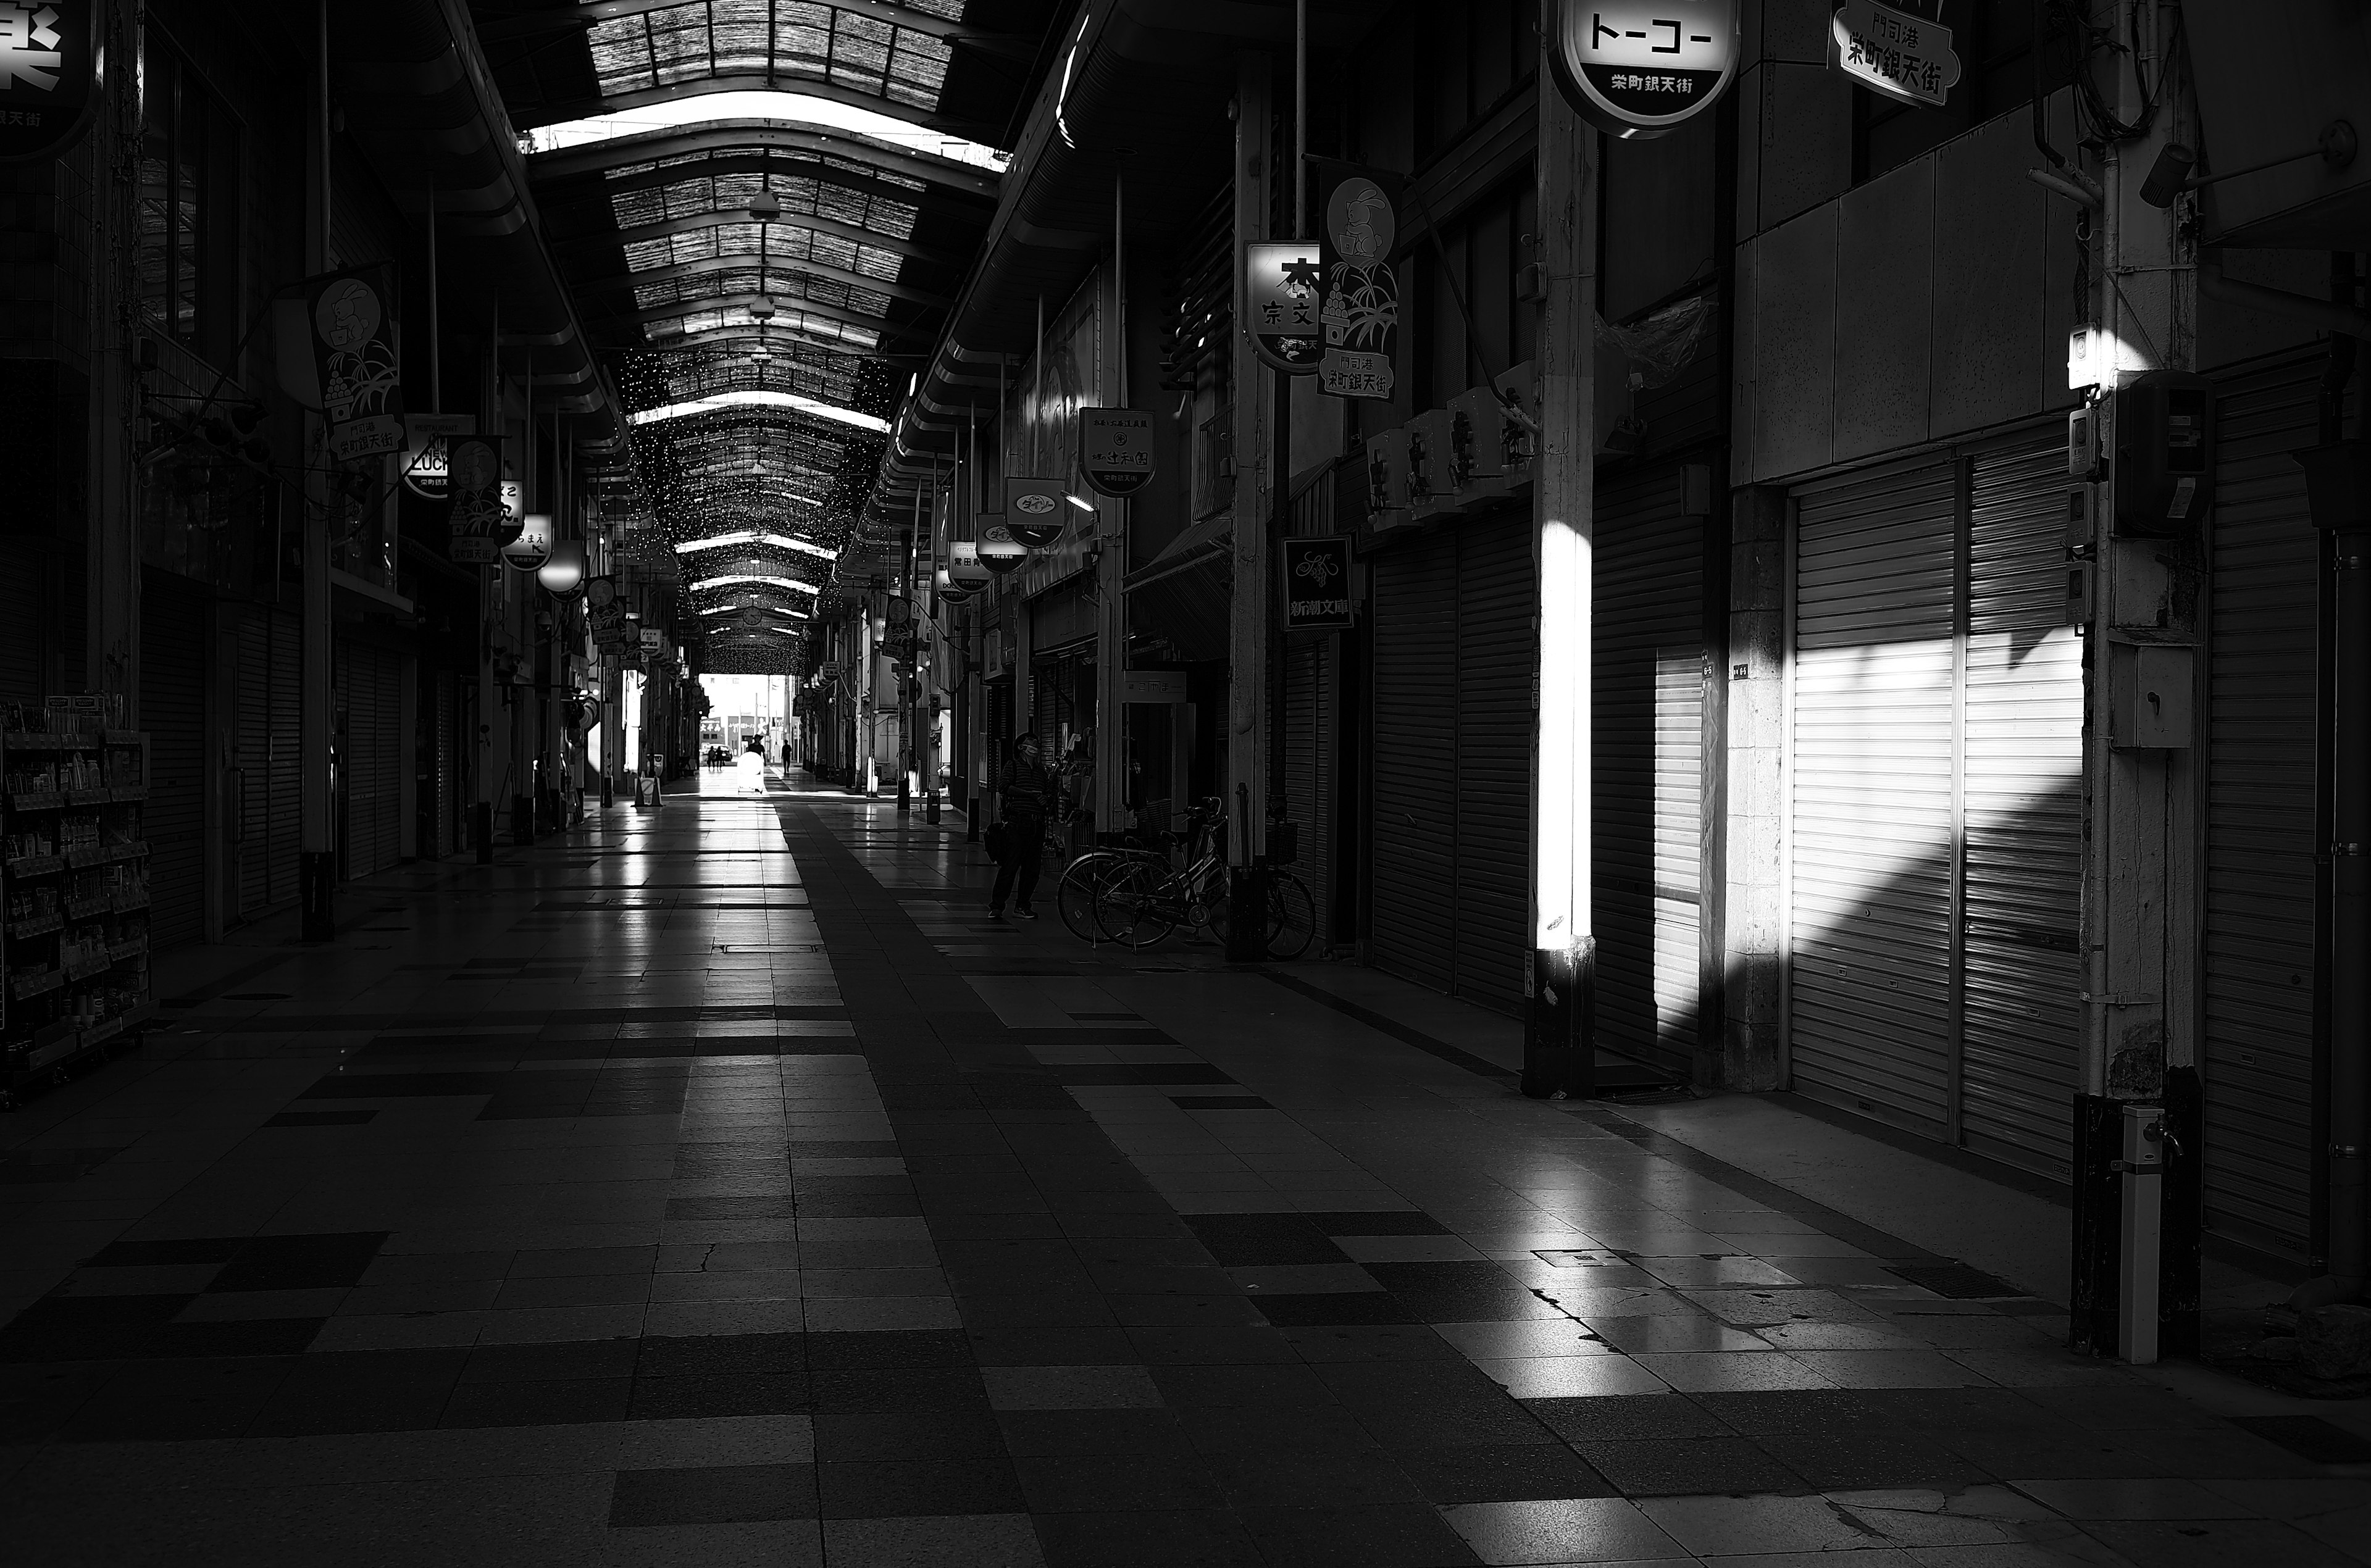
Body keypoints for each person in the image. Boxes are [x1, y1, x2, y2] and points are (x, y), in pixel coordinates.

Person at [989, 732, 1051, 920]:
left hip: (1037, 823)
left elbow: (1048, 793)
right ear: (1021, 747)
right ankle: (997, 906)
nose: (1036, 746)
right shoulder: (1013, 766)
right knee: (1010, 865)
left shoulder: (1042, 772)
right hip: (1019, 823)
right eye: (1031, 743)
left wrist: (1046, 798)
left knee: (1032, 869)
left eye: (1037, 743)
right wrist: (1030, 794)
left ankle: (1023, 905)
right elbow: (1004, 786)